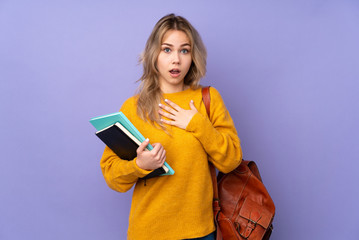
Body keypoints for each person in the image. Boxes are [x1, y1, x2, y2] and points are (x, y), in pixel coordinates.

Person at [100, 13, 242, 240]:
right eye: (167, 49)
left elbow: (231, 160)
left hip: (200, 232)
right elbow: (112, 177)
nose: (176, 59)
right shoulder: (133, 108)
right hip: (148, 232)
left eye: (184, 50)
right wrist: (139, 165)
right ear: (154, 54)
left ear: (193, 56)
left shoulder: (209, 99)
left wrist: (197, 124)